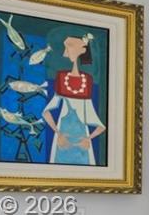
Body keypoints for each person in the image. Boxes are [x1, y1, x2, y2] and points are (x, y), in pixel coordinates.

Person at [42, 31, 105, 165]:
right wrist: (58, 134)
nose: (65, 52)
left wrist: (88, 138)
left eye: (68, 47)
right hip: (63, 140)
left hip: (82, 143)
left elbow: (100, 126)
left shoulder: (87, 81)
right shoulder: (62, 78)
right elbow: (46, 112)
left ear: (80, 50)